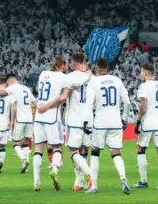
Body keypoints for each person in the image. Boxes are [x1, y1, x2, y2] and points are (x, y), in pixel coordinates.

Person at [37, 51, 92, 191]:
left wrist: (45, 106)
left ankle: (90, 175)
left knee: (73, 151)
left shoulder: (70, 77)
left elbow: (63, 96)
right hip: (88, 119)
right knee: (83, 150)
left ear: (74, 62)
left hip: (74, 118)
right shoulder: (90, 77)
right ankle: (78, 183)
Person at [84, 58, 131, 195]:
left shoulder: (93, 82)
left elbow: (89, 105)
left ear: (97, 67)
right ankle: (123, 178)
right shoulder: (117, 80)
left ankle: (94, 186)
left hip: (100, 122)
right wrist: (125, 119)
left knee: (95, 153)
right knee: (116, 153)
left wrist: (88, 122)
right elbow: (127, 102)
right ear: (107, 67)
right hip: (116, 122)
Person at [134, 63, 158, 190]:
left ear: (145, 73)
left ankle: (143, 180)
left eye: (141, 72)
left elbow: (144, 106)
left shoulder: (143, 86)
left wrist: (138, 120)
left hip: (148, 122)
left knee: (141, 149)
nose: (141, 75)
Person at [33, 56, 68, 191]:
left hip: (38, 115)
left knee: (38, 148)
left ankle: (36, 181)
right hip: (52, 116)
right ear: (63, 65)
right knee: (57, 147)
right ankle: (54, 169)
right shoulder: (63, 77)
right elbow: (62, 98)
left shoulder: (43, 74)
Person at [2, 74, 36, 174]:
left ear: (11, 81)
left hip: (20, 119)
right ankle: (26, 163)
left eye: (7, 84)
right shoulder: (26, 88)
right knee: (25, 142)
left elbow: (2, 93)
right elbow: (34, 103)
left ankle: (24, 160)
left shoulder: (13, 87)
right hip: (29, 119)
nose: (7, 86)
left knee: (16, 143)